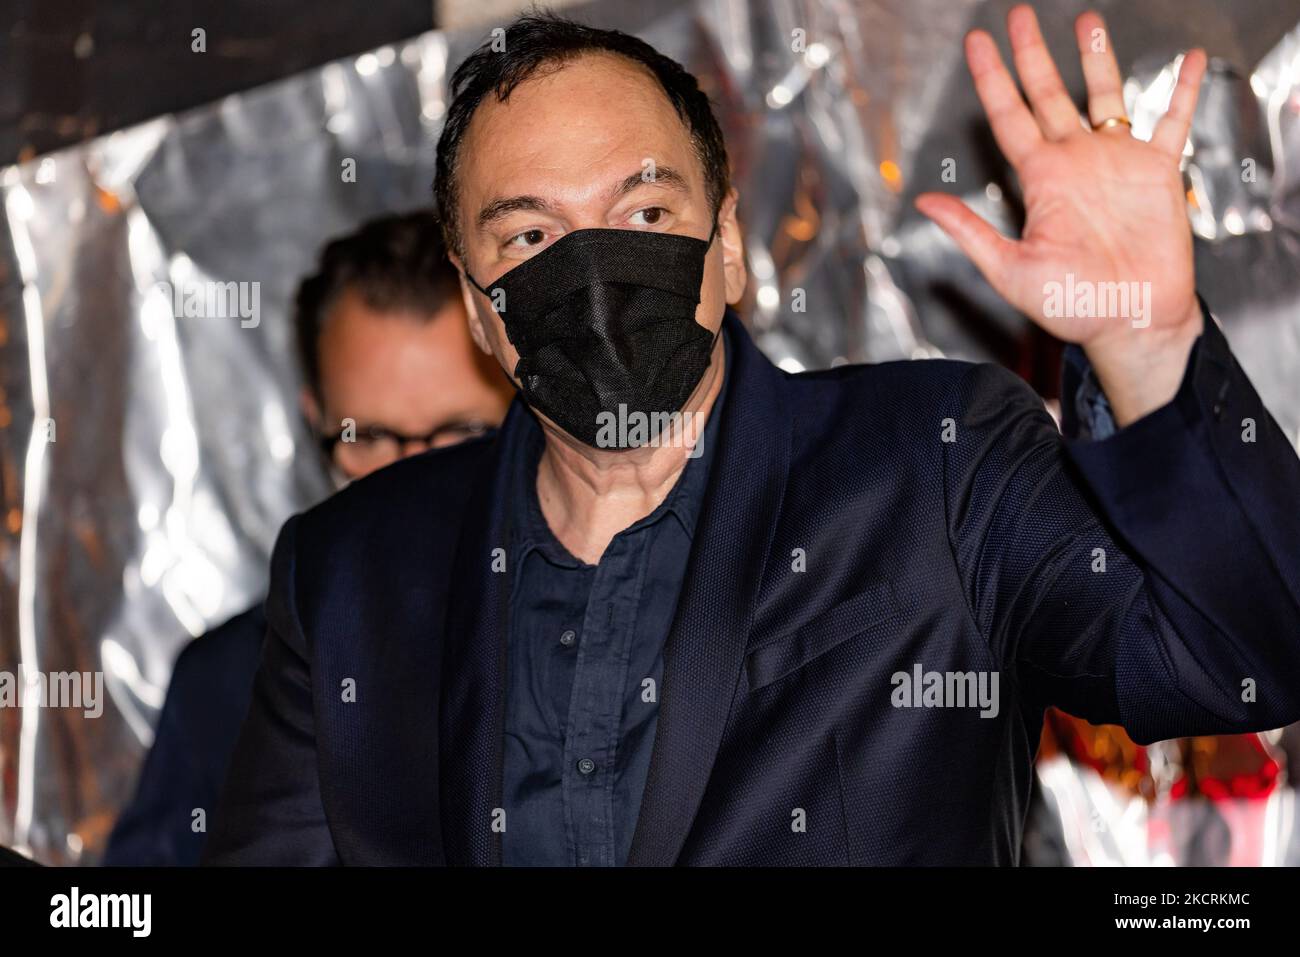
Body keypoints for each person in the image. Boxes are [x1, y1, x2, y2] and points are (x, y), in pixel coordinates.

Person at [204, 9, 1300, 866]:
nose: (592, 274)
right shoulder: (354, 568)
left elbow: (1242, 662)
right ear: (483, 308)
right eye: (531, 234)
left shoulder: (932, 465)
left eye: (643, 216)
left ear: (727, 243)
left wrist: (1147, 345)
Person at [103, 211, 514, 865]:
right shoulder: (228, 682)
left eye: (462, 436)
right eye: (370, 438)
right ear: (314, 421)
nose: (408, 478)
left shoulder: (623, 632)